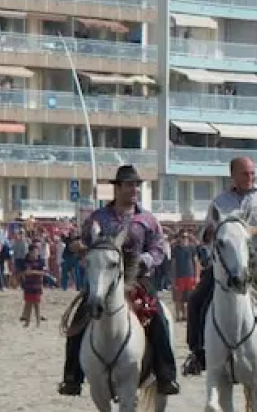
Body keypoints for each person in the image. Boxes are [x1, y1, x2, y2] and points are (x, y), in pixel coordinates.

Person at [58, 165, 180, 396]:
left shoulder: (148, 219)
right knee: (78, 319)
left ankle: (166, 375)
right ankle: (72, 376)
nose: (134, 189)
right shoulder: (98, 218)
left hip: (138, 279)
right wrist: (76, 246)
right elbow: (82, 243)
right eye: (129, 185)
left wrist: (145, 260)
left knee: (159, 319)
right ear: (117, 188)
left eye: (136, 185)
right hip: (104, 280)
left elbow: (158, 248)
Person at [182, 156, 257, 396]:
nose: (250, 177)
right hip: (226, 266)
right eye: (244, 174)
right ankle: (198, 353)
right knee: (197, 299)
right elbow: (205, 235)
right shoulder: (219, 202)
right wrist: (209, 232)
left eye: (252, 173)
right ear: (233, 175)